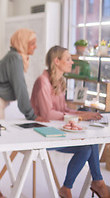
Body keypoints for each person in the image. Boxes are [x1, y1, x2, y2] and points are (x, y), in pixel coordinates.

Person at [0, 28, 46, 198]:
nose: (35, 47)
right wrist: (32, 116)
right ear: (22, 42)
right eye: (32, 43)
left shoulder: (13, 57)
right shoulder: (15, 58)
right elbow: (21, 89)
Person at [30, 46, 108, 198]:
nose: (72, 62)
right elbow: (47, 113)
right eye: (68, 59)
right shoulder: (43, 81)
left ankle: (67, 188)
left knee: (87, 147)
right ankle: (98, 183)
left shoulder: (60, 81)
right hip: (43, 134)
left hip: (58, 129)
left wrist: (82, 114)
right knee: (89, 144)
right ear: (57, 61)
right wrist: (79, 117)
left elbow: (63, 109)